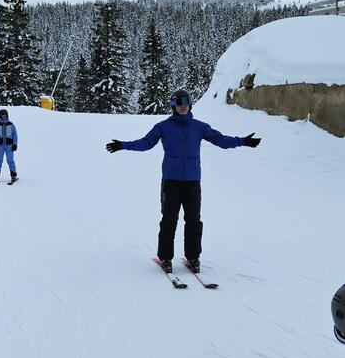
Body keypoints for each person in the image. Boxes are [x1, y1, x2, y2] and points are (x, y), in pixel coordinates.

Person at [105, 89, 260, 273]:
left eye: (186, 101)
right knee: (169, 220)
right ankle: (165, 258)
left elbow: (221, 140)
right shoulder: (163, 127)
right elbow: (145, 143)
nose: (183, 105)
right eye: (179, 102)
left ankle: (193, 257)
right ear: (173, 105)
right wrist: (123, 145)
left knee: (194, 220)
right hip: (171, 182)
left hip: (193, 182)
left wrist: (243, 141)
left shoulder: (200, 127)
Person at [0, 107, 18, 184]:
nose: (4, 117)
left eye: (5, 116)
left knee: (10, 160)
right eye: (2, 116)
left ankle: (13, 175)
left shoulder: (11, 125)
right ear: (0, 116)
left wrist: (15, 144)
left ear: (7, 116)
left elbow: (15, 135)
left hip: (9, 146)